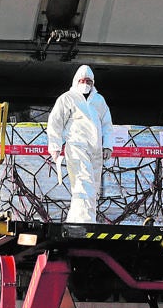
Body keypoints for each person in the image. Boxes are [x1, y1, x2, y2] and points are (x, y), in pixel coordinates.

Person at [47, 64, 113, 223]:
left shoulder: (99, 100)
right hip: (76, 146)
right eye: (82, 80)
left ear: (93, 82)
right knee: (83, 183)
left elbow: (106, 124)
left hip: (96, 149)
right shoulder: (67, 98)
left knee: (94, 187)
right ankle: (84, 221)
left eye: (88, 81)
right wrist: (55, 146)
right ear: (76, 81)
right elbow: (55, 123)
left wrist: (108, 145)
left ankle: (79, 218)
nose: (85, 83)